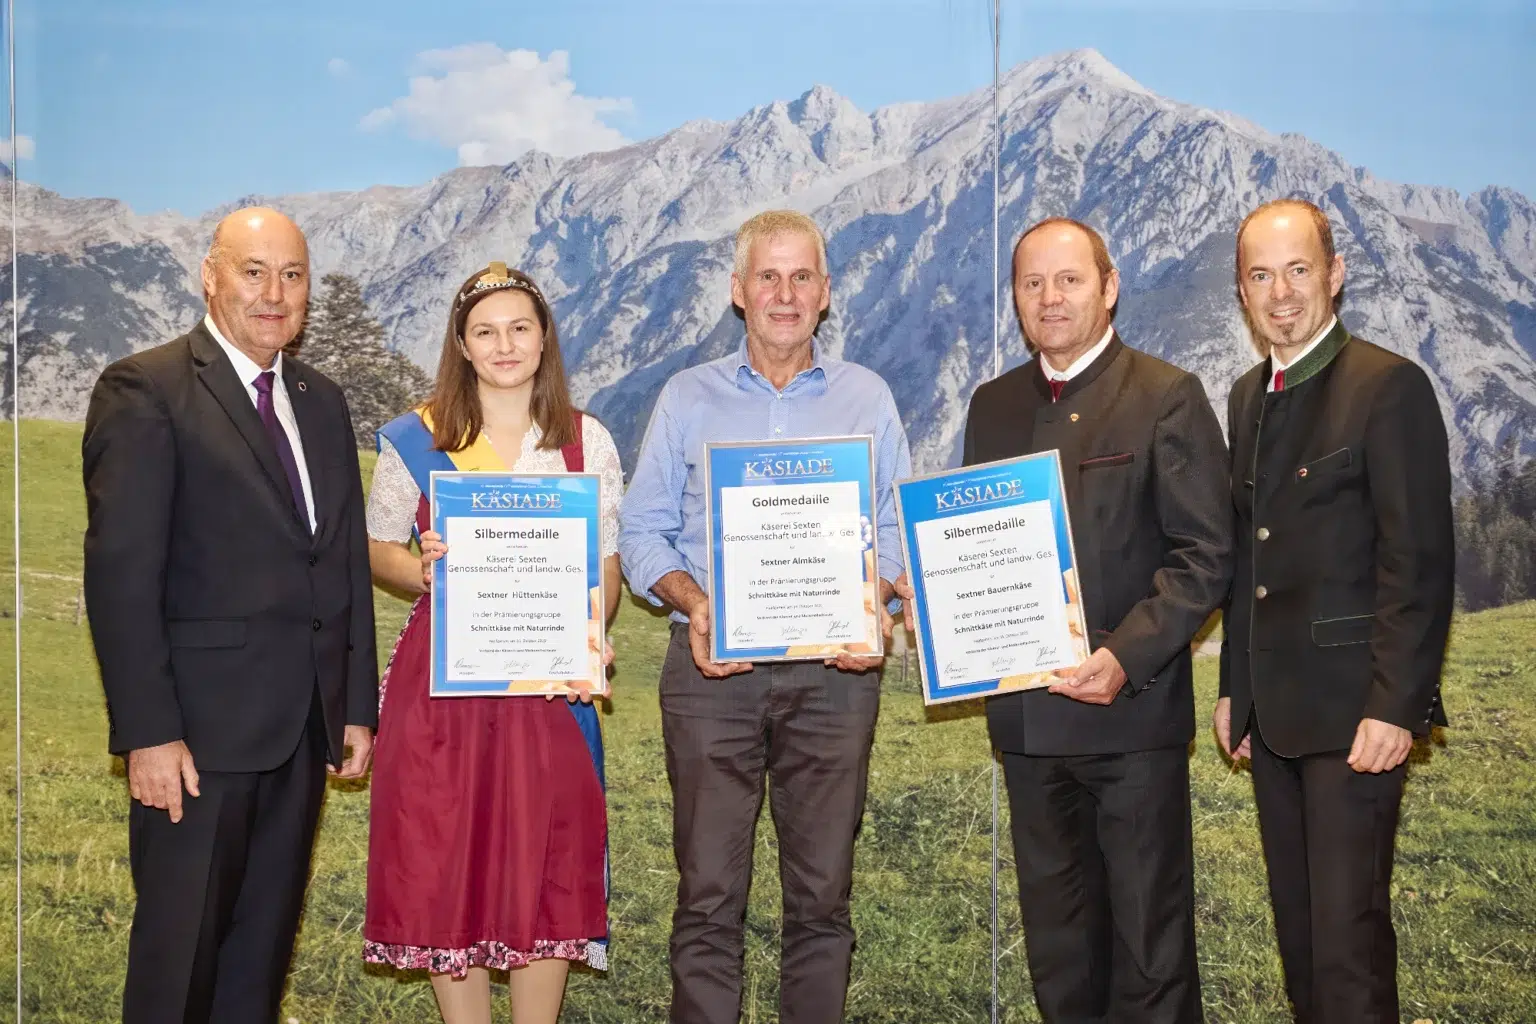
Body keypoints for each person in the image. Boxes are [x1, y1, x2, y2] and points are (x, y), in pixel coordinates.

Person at [903, 217, 1232, 1023]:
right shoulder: (994, 405)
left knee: (1151, 949)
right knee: (1058, 949)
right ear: (1016, 298)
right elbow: (977, 547)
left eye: (1069, 280)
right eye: (1032, 284)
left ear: (1109, 287)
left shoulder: (1167, 395)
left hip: (1132, 720)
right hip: (1028, 724)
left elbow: (1205, 555)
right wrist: (936, 599)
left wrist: (1124, 656)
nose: (1050, 299)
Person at [82, 207, 378, 1024]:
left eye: (292, 275)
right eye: (254, 271)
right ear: (209, 274)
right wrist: (148, 730)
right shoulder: (147, 388)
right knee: (180, 964)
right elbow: (120, 575)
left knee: (258, 963)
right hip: (195, 741)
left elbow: (342, 557)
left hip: (302, 733)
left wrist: (355, 706)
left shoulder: (322, 401)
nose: (275, 293)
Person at [618, 209, 912, 1024]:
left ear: (826, 294)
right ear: (738, 292)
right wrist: (696, 602)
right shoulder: (687, 397)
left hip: (835, 680)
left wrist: (875, 599)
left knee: (822, 897)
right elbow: (643, 531)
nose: (785, 293)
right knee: (708, 894)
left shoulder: (868, 397)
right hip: (712, 671)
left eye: (802, 277)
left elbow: (893, 529)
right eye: (768, 276)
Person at [362, 261, 623, 1024]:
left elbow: (605, 568)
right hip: (444, 684)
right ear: (462, 345)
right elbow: (378, 548)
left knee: (544, 856)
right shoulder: (418, 437)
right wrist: (424, 572)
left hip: (549, 682)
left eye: (519, 327)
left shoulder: (584, 440)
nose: (504, 345)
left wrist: (589, 635)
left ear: (543, 338)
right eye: (485, 332)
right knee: (448, 857)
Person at [1216, 198, 1453, 1023]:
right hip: (1274, 721)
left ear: (1335, 274)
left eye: (1298, 269)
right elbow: (1251, 556)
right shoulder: (1247, 396)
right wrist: (1232, 693)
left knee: (1349, 945)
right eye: (1260, 275)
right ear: (1241, 293)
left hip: (1358, 721)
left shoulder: (1389, 387)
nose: (1281, 292)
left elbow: (1417, 564)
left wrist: (1397, 707)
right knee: (1301, 941)